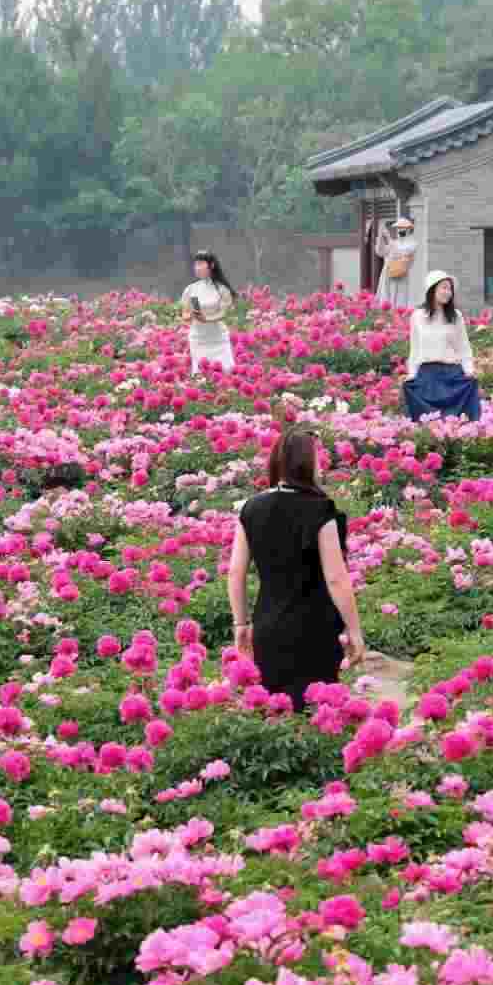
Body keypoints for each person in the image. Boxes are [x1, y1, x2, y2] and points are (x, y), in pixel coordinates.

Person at [226, 428, 366, 710]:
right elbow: (336, 579)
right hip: (314, 628)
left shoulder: (251, 509)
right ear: (307, 463)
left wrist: (241, 624)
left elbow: (235, 573)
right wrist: (354, 630)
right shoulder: (320, 510)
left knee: (275, 712)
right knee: (317, 711)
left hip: (268, 625)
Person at [405, 271, 481, 422]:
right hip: (427, 376)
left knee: (459, 422)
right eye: (444, 288)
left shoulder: (456, 316)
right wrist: (412, 374)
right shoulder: (418, 316)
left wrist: (469, 370)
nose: (448, 292)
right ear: (432, 289)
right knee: (427, 422)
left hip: (452, 375)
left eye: (450, 289)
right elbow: (415, 349)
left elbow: (463, 347)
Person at [180, 251, 237, 373]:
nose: (197, 268)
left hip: (218, 338)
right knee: (200, 375)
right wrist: (191, 315)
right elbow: (184, 314)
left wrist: (206, 319)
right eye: (196, 264)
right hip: (198, 339)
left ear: (211, 265)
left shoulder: (222, 289)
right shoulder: (190, 289)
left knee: (226, 371)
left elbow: (223, 313)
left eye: (201, 264)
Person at [372, 214, 417, 309]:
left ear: (409, 229)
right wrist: (380, 237)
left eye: (403, 228)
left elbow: (398, 253)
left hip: (399, 275)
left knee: (399, 302)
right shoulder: (394, 242)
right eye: (398, 228)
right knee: (385, 300)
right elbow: (380, 252)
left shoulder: (412, 244)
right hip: (387, 274)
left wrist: (388, 236)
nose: (400, 230)